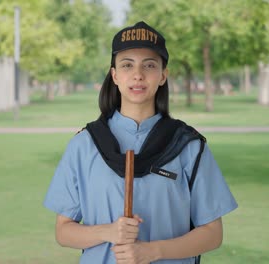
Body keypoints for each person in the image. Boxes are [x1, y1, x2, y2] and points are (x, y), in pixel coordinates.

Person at [44, 21, 238, 264]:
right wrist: (107, 232)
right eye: (127, 65)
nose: (138, 75)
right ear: (114, 75)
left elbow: (212, 234)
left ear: (163, 75)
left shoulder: (188, 146)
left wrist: (152, 251)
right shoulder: (84, 145)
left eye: (149, 65)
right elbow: (63, 231)